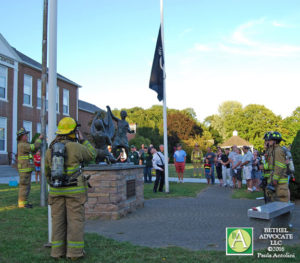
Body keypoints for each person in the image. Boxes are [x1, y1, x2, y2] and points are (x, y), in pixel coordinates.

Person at [45, 117, 96, 260]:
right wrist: (84, 140)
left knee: (58, 222)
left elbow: (47, 172)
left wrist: (54, 186)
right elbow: (92, 154)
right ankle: (74, 253)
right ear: (73, 131)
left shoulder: (51, 149)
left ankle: (57, 252)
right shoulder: (76, 147)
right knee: (75, 221)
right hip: (74, 192)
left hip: (56, 191)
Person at [17, 128, 42, 208]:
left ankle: (24, 202)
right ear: (21, 137)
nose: (27, 136)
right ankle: (22, 204)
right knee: (24, 186)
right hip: (25, 169)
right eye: (25, 135)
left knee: (26, 186)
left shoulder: (24, 144)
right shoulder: (22, 145)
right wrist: (39, 139)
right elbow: (34, 147)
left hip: (26, 168)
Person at [262, 131, 289, 202]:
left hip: (280, 181)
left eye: (270, 140)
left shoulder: (278, 151)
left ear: (275, 141)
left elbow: (279, 166)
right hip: (275, 180)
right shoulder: (273, 150)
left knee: (282, 201)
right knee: (273, 201)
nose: (268, 142)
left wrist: (275, 179)